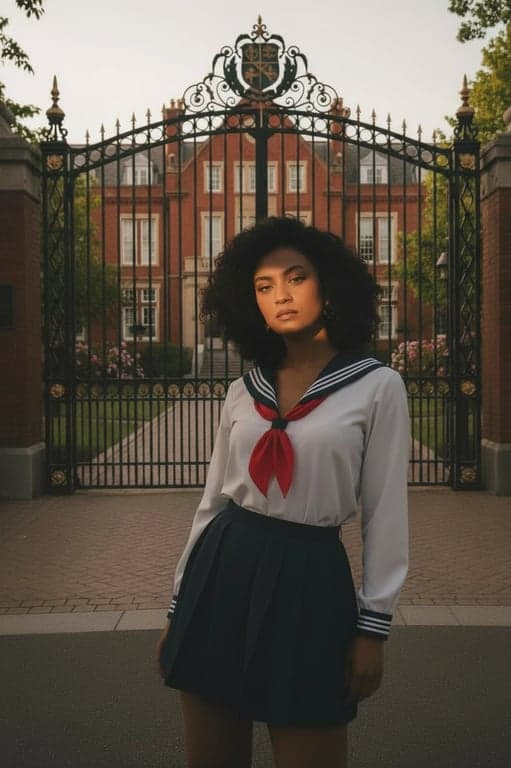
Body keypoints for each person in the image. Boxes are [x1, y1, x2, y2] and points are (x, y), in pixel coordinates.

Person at [156, 216, 409, 768]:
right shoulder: (242, 391)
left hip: (309, 580)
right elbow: (213, 502)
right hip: (222, 567)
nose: (281, 296)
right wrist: (179, 606)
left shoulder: (377, 386)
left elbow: (386, 514)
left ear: (329, 285)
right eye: (264, 286)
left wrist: (374, 628)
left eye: (296, 278)